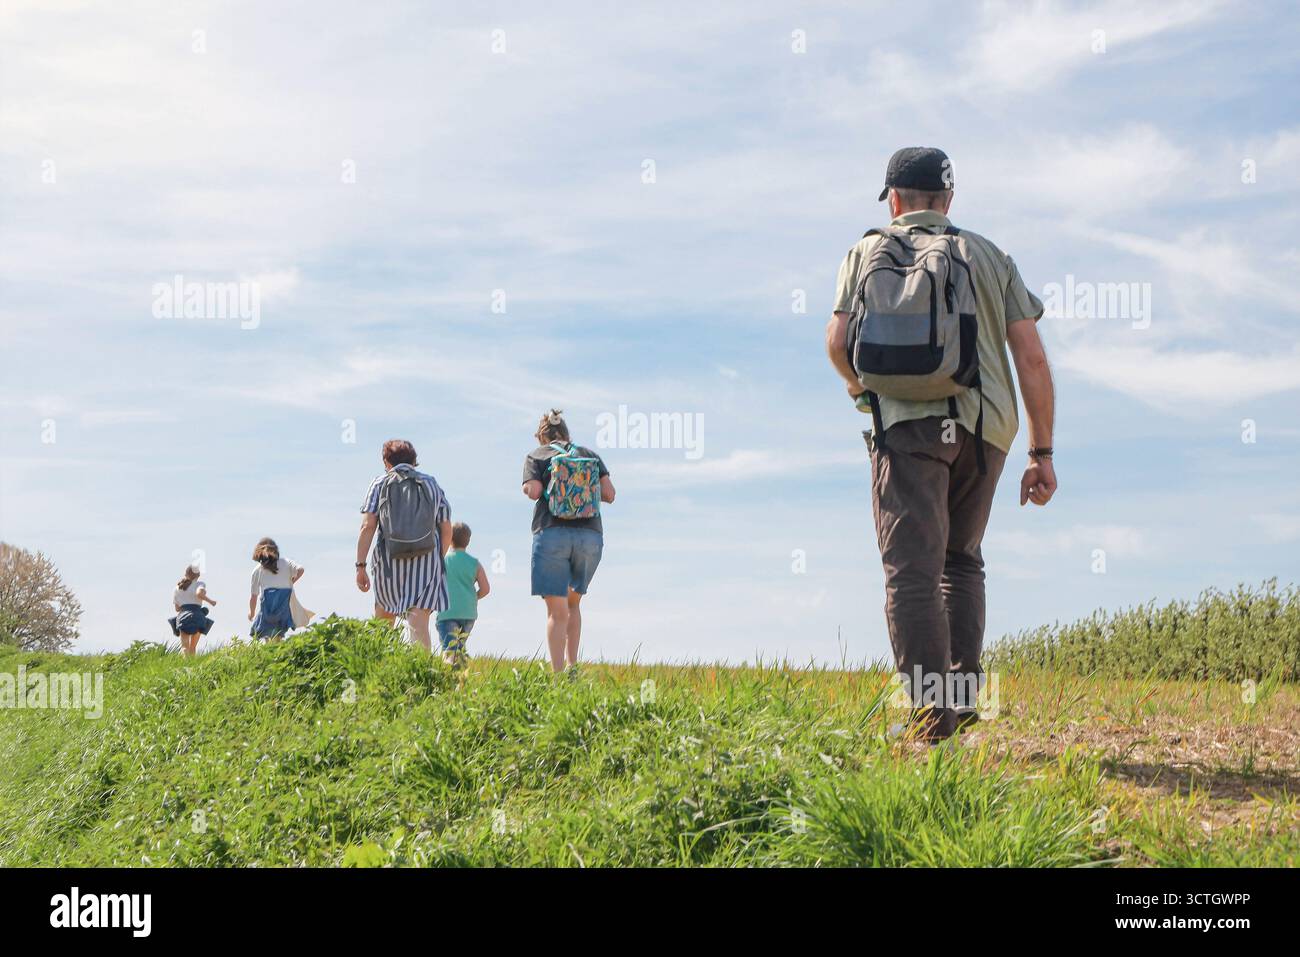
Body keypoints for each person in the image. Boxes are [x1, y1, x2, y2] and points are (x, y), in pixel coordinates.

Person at [825, 147, 1057, 742]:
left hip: (907, 426)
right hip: (986, 429)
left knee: (911, 571)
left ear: (894, 200)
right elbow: (1030, 357)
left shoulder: (865, 251)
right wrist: (1042, 453)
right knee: (961, 559)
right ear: (948, 200)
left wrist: (862, 393)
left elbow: (836, 341)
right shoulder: (987, 254)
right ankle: (961, 696)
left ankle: (932, 720)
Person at [521, 409, 615, 674]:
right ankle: (573, 667)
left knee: (556, 610)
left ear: (542, 436)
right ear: (566, 433)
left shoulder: (536, 455)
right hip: (589, 536)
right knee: (573, 603)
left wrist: (528, 486)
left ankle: (557, 676)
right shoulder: (590, 455)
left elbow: (534, 491)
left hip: (552, 533)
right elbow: (609, 494)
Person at [356, 439, 453, 651]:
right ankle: (420, 676)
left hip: (388, 562)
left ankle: (380, 670)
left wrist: (360, 565)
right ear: (414, 460)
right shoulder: (431, 483)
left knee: (383, 620)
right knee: (418, 622)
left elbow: (368, 526)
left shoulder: (379, 483)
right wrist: (437, 558)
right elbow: (446, 528)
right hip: (426, 562)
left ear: (386, 461)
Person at [435, 521, 491, 671]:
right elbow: (485, 589)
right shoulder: (475, 563)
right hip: (468, 613)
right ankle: (460, 680)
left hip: (448, 612)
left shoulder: (443, 561)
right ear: (468, 541)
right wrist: (473, 598)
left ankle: (448, 680)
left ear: (449, 537)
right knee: (459, 650)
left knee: (449, 651)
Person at [248, 537, 313, 640]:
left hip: (268, 607)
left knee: (266, 632)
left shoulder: (257, 570)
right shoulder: (286, 562)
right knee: (277, 633)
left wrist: (251, 613)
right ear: (276, 550)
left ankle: (271, 652)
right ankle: (277, 651)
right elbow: (301, 570)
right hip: (283, 606)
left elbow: (253, 597)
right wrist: (292, 581)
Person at [169, 564, 216, 656]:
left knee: (184, 647)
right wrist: (211, 601)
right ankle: (193, 666)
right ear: (198, 575)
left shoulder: (177, 588)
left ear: (185, 574)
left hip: (183, 617)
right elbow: (199, 594)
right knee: (193, 647)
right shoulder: (200, 584)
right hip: (198, 616)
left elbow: (177, 609)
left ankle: (186, 665)